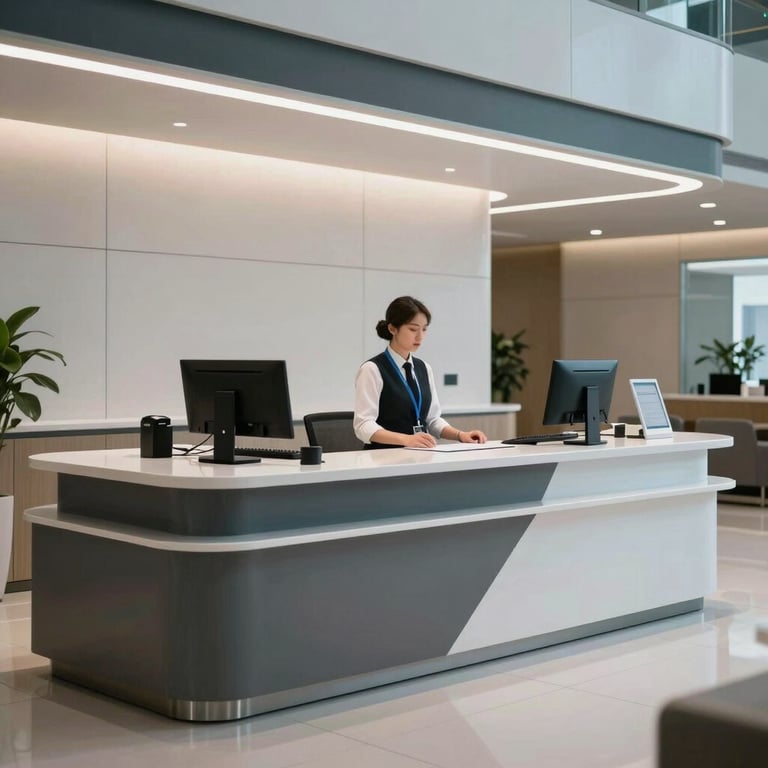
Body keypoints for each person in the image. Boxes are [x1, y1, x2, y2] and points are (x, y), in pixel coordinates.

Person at [354, 295, 488, 449]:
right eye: (413, 329)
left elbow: (432, 419)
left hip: (419, 456)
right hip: (382, 458)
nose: (420, 336)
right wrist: (405, 439)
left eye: (424, 329)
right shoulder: (372, 369)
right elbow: (363, 425)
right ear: (392, 329)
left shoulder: (424, 368)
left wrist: (460, 435)